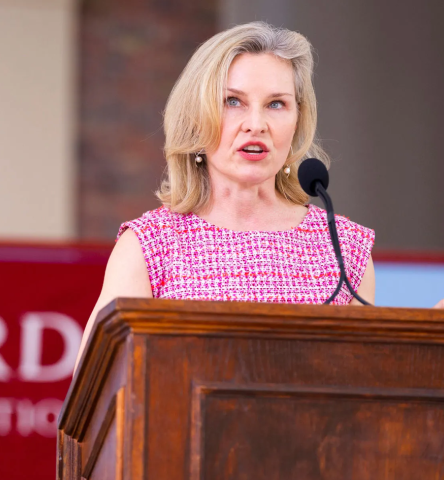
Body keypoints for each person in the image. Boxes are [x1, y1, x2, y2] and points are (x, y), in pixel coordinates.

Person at [75, 22, 444, 370]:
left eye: (276, 104)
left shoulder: (343, 246)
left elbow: (365, 385)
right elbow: (95, 394)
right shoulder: (150, 245)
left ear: (298, 121)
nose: (256, 123)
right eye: (233, 101)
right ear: (195, 117)